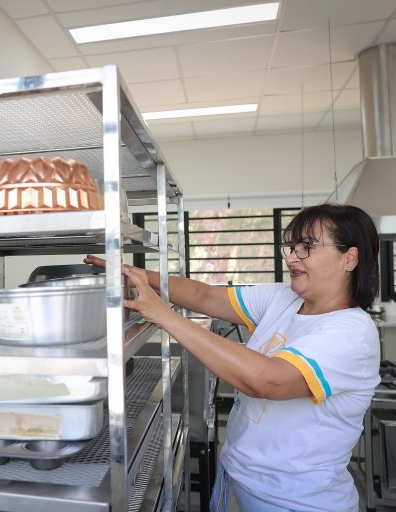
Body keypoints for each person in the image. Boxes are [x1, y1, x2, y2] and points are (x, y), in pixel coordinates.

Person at [85, 203, 380, 512]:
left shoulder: (352, 332)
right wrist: (133, 273)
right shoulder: (284, 298)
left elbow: (266, 380)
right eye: (292, 247)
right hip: (236, 478)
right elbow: (204, 296)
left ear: (350, 258)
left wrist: (165, 316)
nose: (292, 257)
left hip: (296, 501)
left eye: (307, 247)